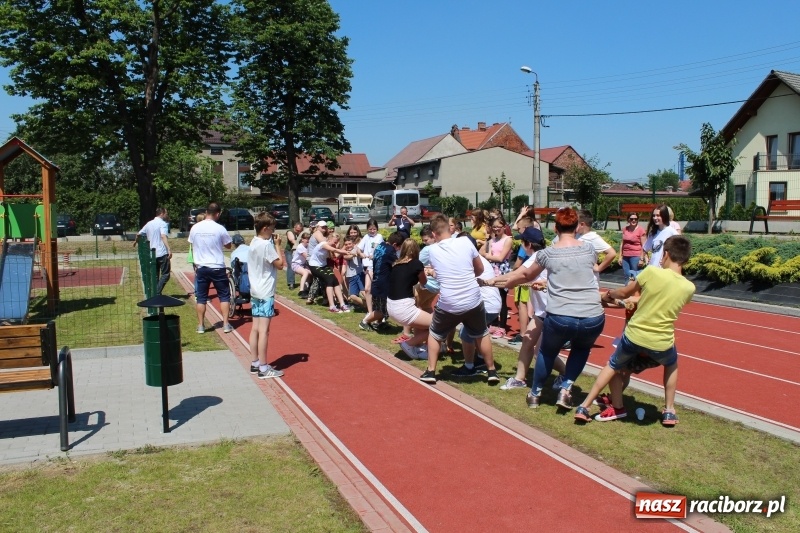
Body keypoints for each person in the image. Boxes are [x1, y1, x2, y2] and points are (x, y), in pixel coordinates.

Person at [484, 207, 604, 409]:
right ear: (576, 227)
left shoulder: (547, 254)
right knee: (580, 350)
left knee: (546, 352)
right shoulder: (589, 249)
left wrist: (494, 281)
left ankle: (535, 393)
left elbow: (524, 276)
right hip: (593, 315)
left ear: (556, 228)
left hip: (561, 314)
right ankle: (565, 388)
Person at [574, 235, 695, 425]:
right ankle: (669, 410)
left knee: (613, 365)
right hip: (661, 342)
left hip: (634, 336)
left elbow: (625, 293)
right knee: (671, 364)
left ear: (666, 254)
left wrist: (609, 295)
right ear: (686, 260)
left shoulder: (651, 272)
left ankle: (585, 405)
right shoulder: (689, 287)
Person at [420, 215, 499, 385]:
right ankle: (491, 371)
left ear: (434, 234)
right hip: (472, 298)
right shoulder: (465, 242)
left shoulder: (432, 250)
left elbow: (440, 273)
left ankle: (431, 371)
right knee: (481, 333)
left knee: (435, 334)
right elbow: (479, 269)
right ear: (450, 229)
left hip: (449, 301)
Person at [496, 227, 550, 390]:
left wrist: (492, 280)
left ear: (528, 244)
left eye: (522, 242)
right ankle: (519, 379)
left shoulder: (536, 257)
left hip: (550, 311)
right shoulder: (541, 255)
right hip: (542, 312)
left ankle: (563, 376)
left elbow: (517, 274)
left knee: (541, 351)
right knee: (527, 341)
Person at [247, 212, 286, 379]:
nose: (273, 231)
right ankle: (263, 367)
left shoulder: (254, 242)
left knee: (255, 328)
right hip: (265, 291)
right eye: (272, 229)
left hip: (255, 290)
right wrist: (277, 245)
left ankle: (255, 362)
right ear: (265, 228)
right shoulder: (266, 245)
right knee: (264, 331)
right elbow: (280, 264)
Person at [451, 252, 501, 377]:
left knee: (466, 333)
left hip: (487, 306)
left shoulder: (471, 261)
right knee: (479, 333)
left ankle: (469, 367)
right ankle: (480, 360)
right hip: (492, 305)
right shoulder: (479, 259)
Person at [188, 202, 233, 333]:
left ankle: (201, 325)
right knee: (224, 296)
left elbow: (191, 243)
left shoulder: (195, 228)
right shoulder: (219, 228)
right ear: (217, 214)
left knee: (201, 297)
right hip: (217, 266)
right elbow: (228, 245)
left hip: (201, 266)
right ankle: (225, 324)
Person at [387, 239, 431, 360]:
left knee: (420, 318)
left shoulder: (396, 264)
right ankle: (409, 344)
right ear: (416, 250)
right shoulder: (416, 264)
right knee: (438, 325)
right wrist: (427, 272)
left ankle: (417, 345)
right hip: (403, 308)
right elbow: (424, 282)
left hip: (391, 307)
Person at [479, 214, 513, 332]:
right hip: (491, 271)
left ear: (504, 227)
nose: (496, 229)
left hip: (502, 271)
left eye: (499, 226)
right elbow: (481, 252)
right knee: (492, 296)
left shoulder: (508, 239)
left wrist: (487, 256)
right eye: (494, 227)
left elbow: (500, 258)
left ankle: (502, 327)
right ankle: (493, 324)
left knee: (502, 299)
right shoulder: (492, 240)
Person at [308, 232, 350, 313]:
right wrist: (343, 251)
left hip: (323, 265)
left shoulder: (331, 247)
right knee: (329, 280)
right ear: (329, 239)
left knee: (335, 280)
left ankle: (342, 304)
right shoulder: (323, 244)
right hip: (314, 266)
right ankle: (332, 306)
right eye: (334, 242)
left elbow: (336, 256)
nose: (335, 243)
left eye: (337, 242)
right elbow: (334, 250)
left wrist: (344, 250)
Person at [133, 207, 172, 295]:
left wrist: (135, 241)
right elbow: (163, 236)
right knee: (166, 274)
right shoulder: (163, 224)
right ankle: (156, 292)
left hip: (152, 253)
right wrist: (169, 249)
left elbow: (138, 234)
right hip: (162, 252)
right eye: (166, 213)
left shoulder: (149, 224)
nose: (167, 215)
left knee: (155, 275)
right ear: (161, 214)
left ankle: (155, 292)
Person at [357, 219, 384, 326]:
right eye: (370, 229)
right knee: (367, 289)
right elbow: (358, 248)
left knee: (376, 289)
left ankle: (380, 312)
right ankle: (370, 311)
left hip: (376, 266)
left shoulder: (379, 237)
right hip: (368, 266)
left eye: (374, 229)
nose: (372, 231)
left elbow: (378, 249)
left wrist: (374, 255)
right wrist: (361, 254)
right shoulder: (366, 237)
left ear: (377, 229)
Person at [291, 232, 312, 297]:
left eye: (309, 239)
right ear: (302, 239)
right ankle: (301, 291)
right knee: (305, 273)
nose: (307, 240)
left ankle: (308, 288)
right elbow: (307, 257)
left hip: (303, 264)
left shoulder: (308, 246)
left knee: (312, 273)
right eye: (306, 239)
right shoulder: (300, 247)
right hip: (296, 264)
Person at [285, 222, 304, 289]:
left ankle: (305, 282)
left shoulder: (303, 232)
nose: (298, 232)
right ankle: (291, 283)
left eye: (300, 230)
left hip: (299, 251)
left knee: (303, 265)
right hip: (290, 251)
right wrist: (300, 246)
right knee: (291, 265)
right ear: (294, 228)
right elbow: (292, 240)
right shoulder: (290, 232)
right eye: (297, 230)